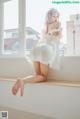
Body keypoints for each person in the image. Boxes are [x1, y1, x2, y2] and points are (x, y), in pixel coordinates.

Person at [12, 8, 62, 96]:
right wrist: (56, 32)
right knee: (44, 77)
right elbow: (58, 37)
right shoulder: (57, 24)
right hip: (46, 49)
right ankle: (23, 81)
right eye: (55, 15)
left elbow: (42, 39)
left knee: (37, 75)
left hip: (36, 49)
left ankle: (22, 80)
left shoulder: (45, 26)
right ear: (54, 16)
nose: (56, 17)